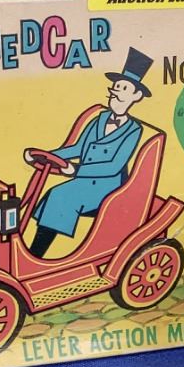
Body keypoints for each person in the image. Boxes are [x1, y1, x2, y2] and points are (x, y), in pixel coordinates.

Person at [25, 48, 151, 256]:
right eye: (116, 87)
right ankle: (35, 254)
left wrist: (75, 170)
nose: (116, 92)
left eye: (124, 88)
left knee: (60, 197)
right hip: (84, 181)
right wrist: (47, 155)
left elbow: (114, 166)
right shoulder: (100, 119)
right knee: (54, 194)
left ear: (136, 95)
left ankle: (36, 255)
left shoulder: (134, 130)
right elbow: (77, 148)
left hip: (109, 187)